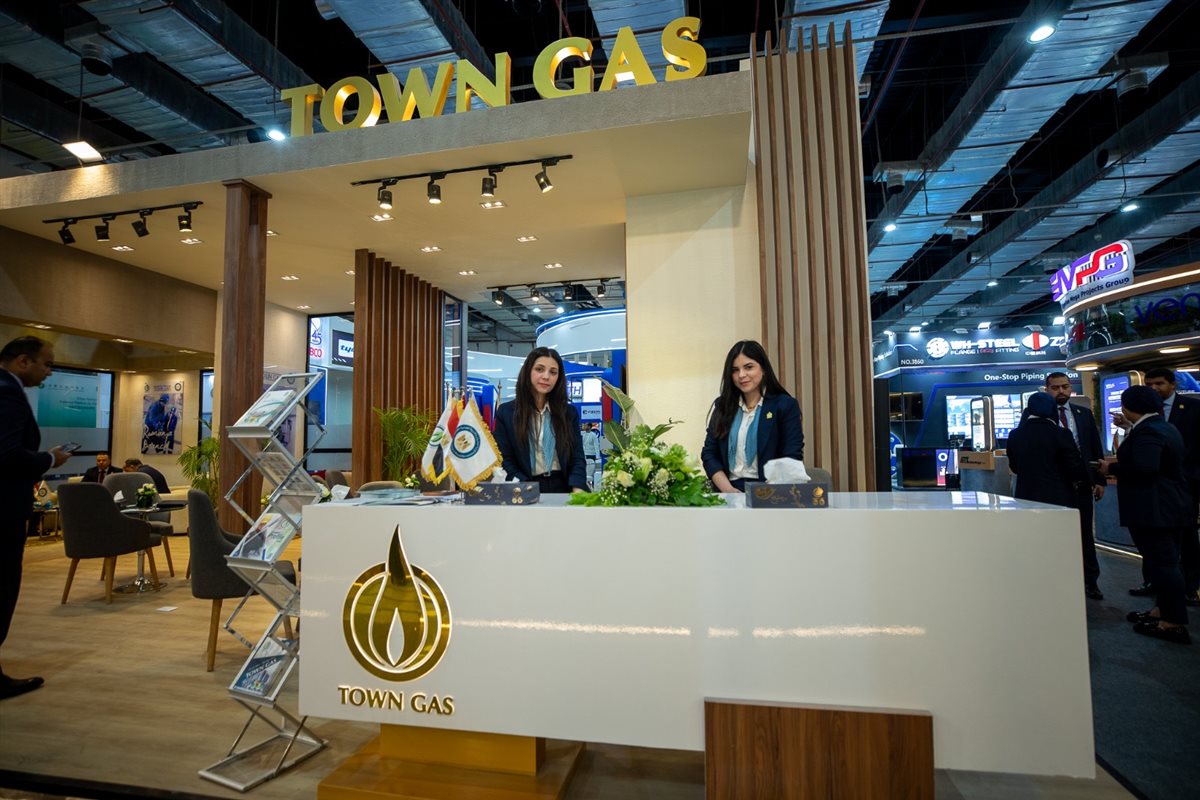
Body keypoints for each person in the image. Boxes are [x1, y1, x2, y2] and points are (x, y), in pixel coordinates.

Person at [0, 336, 71, 699]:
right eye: (47, 364)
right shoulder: (7, 394)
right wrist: (49, 459)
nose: (50, 372)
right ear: (23, 361)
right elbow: (8, 455)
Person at [1097, 386, 1191, 645]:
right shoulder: (1162, 426)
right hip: (1167, 506)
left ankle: (1172, 623)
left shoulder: (1149, 431)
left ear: (1128, 407)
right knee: (1163, 563)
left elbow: (1146, 467)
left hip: (1155, 508)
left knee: (1164, 564)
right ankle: (1162, 610)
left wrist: (1111, 468)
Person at [1115, 368, 1200, 604]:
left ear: (1173, 384)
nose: (1154, 388)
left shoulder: (1191, 410)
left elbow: (1146, 465)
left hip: (1172, 492)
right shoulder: (1149, 424)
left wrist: (1112, 469)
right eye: (1149, 384)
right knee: (1159, 556)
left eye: (1159, 383)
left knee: (1175, 549)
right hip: (1157, 498)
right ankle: (1159, 594)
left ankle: (1184, 594)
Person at [701, 340, 804, 493]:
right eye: (735, 370)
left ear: (764, 369)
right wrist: (729, 490)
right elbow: (709, 454)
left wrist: (766, 494)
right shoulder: (723, 405)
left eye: (749, 367)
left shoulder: (784, 405)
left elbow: (791, 456)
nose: (741, 375)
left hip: (771, 492)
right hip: (727, 491)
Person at [1045, 371, 1106, 599]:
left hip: (1081, 484)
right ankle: (1058, 582)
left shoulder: (1083, 413)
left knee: (1084, 534)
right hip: (1053, 485)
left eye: (1065, 386)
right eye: (1055, 387)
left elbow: (1094, 447)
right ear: (1047, 389)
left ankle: (1091, 582)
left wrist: (1099, 480)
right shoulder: (1038, 415)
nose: (1061, 391)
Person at [493, 348, 587, 493]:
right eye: (539, 369)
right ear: (528, 371)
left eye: (553, 372)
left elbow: (577, 457)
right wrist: (524, 487)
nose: (546, 376)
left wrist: (578, 487)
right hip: (524, 485)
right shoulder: (507, 413)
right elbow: (505, 459)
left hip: (564, 486)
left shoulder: (568, 413)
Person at [1007, 392, 1089, 510]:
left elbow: (1014, 467)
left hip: (1025, 497)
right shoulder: (1062, 434)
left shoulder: (1015, 435)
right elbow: (1074, 468)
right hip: (1058, 498)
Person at [582, 422, 601, 490]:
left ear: (589, 427)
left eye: (586, 426)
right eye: (584, 425)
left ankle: (593, 485)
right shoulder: (583, 435)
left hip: (592, 455)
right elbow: (582, 445)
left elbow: (596, 445)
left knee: (592, 471)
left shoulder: (593, 435)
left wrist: (597, 456)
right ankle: (585, 485)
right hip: (585, 454)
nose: (585, 427)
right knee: (585, 470)